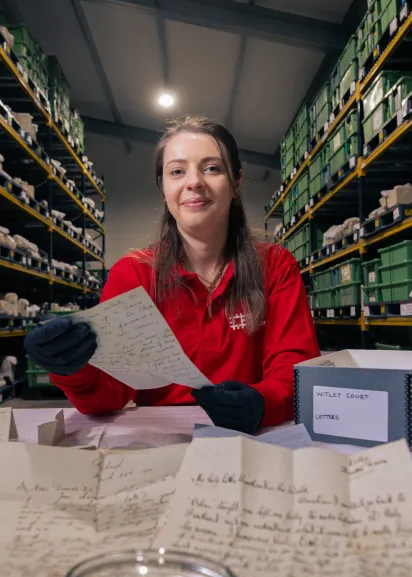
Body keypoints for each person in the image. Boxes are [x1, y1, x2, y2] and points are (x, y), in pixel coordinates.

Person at [25, 115, 319, 433]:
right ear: (163, 188)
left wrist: (262, 402)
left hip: (254, 434)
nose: (193, 182)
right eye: (177, 171)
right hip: (159, 439)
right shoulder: (133, 274)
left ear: (235, 182)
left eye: (212, 168)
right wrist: (73, 368)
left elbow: (296, 367)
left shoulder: (275, 266)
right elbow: (109, 395)